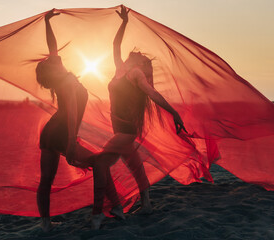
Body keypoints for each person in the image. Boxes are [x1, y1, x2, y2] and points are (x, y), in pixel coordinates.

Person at [91, 5, 187, 229]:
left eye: (137, 56)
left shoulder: (135, 74)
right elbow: (115, 45)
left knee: (100, 164)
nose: (132, 54)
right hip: (120, 130)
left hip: (125, 131)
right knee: (135, 166)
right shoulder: (120, 69)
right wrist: (123, 22)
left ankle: (112, 207)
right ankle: (147, 204)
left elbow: (152, 93)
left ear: (137, 63)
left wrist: (174, 112)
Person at [36, 9, 92, 232]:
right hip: (61, 132)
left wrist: (47, 22)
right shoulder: (65, 81)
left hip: (51, 131)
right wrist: (71, 141)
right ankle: (109, 207)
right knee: (99, 164)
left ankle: (46, 224)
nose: (53, 59)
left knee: (46, 179)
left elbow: (52, 46)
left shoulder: (59, 74)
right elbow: (70, 114)